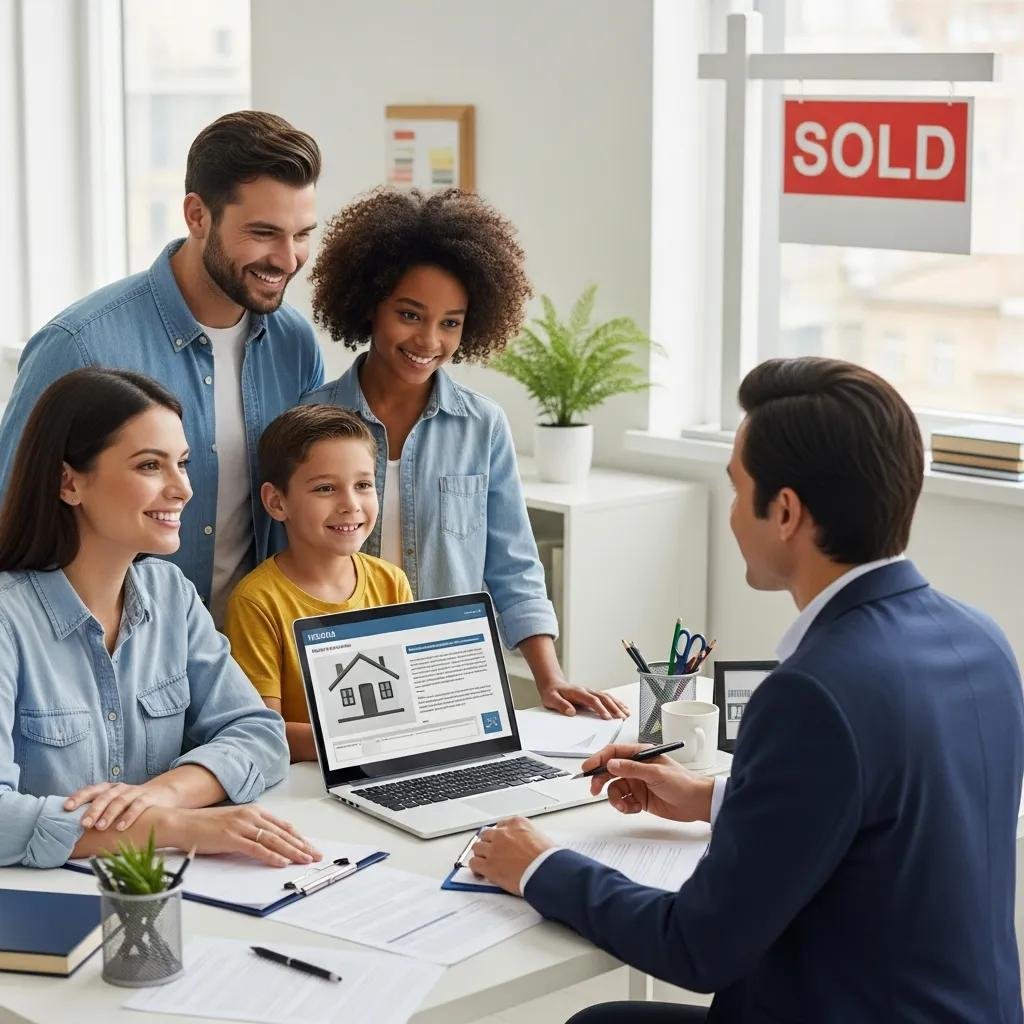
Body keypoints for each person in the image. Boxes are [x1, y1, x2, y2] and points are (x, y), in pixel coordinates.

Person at [466, 358, 1024, 1023]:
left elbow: (697, 948)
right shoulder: (982, 641)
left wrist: (540, 865)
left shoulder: (812, 693)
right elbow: (891, 822)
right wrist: (712, 797)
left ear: (785, 511)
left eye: (736, 490)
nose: (732, 516)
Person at [303, 187, 626, 720]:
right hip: (344, 674)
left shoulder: (483, 426)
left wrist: (551, 679)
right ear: (369, 304)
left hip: (454, 677)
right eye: (410, 314)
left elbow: (514, 565)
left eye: (450, 322)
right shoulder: (311, 422)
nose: (429, 339)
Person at [0, 111, 325, 624]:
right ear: (197, 215)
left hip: (247, 657)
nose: (287, 259)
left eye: (302, 234)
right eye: (264, 233)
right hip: (111, 665)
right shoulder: (79, 346)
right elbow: (13, 521)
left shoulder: (294, 344)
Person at [0, 368, 319, 870]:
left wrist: (165, 794)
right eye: (150, 465)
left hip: (170, 887)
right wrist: (168, 827)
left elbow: (259, 733)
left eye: (183, 463)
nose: (183, 490)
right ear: (69, 482)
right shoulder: (6, 622)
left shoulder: (171, 596)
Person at [224, 404, 412, 762]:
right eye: (326, 488)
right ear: (277, 502)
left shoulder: (391, 582)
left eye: (363, 485)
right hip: (304, 783)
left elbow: (406, 701)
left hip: (389, 768)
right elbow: (263, 728)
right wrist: (361, 743)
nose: (350, 504)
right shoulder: (257, 601)